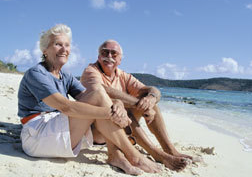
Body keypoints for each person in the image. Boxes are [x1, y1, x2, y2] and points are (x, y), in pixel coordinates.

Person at [18, 24, 161, 175]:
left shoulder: (65, 76)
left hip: (57, 128)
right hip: (37, 135)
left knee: (99, 94)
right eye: (58, 44)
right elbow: (66, 107)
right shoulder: (37, 73)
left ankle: (116, 156)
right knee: (100, 99)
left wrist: (117, 104)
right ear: (45, 50)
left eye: (67, 45)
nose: (64, 49)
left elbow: (92, 96)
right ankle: (133, 155)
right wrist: (112, 113)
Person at [81, 39, 192, 172]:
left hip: (119, 127)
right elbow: (103, 90)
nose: (109, 56)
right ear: (99, 56)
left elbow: (152, 90)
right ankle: (157, 154)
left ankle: (169, 149)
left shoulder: (122, 75)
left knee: (151, 104)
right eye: (105, 52)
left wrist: (151, 98)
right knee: (124, 107)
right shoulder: (91, 71)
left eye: (114, 54)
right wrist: (139, 105)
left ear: (120, 60)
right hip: (97, 132)